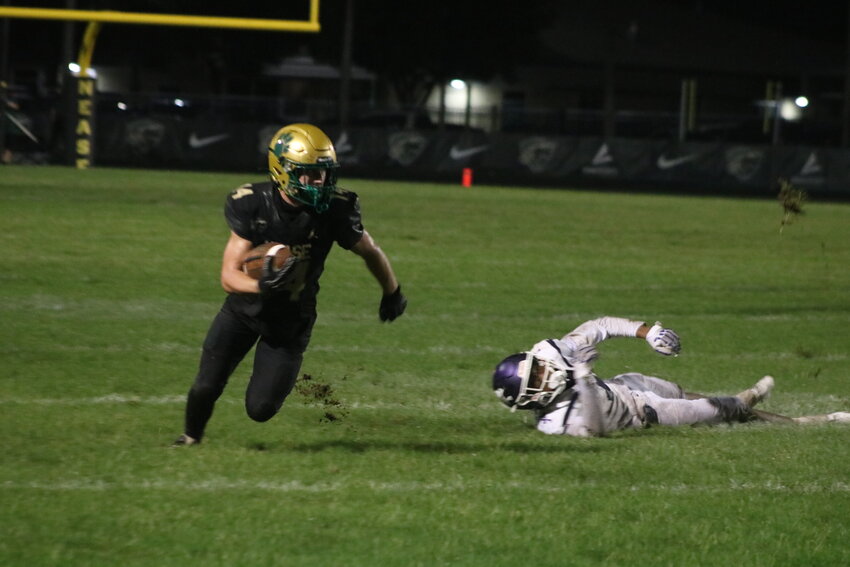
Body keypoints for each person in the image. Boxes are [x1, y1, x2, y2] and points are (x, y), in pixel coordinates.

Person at [173, 123, 407, 446]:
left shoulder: (335, 208)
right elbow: (228, 275)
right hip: (242, 311)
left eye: (323, 173)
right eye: (308, 174)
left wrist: (392, 291)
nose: (319, 182)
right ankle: (190, 438)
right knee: (206, 385)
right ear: (281, 170)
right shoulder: (253, 203)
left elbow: (370, 250)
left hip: (291, 320)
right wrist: (261, 287)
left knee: (261, 408)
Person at [491, 316, 849, 437]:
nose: (544, 369)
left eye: (536, 365)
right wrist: (583, 379)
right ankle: (801, 417)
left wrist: (648, 332)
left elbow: (598, 327)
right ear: (530, 398)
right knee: (724, 409)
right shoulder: (554, 423)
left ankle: (763, 409)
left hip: (625, 385)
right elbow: (596, 428)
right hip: (645, 414)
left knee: (698, 396)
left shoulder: (551, 354)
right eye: (535, 376)